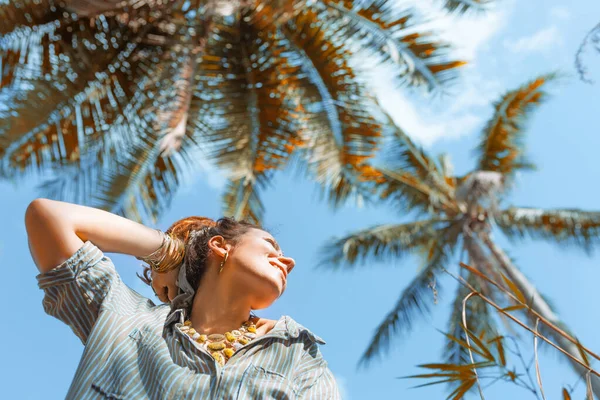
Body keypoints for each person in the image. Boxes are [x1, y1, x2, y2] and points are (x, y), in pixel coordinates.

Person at [26, 198, 341, 399]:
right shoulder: (125, 316)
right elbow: (48, 217)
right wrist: (168, 252)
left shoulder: (296, 354)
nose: (289, 262)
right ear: (221, 246)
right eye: (271, 246)